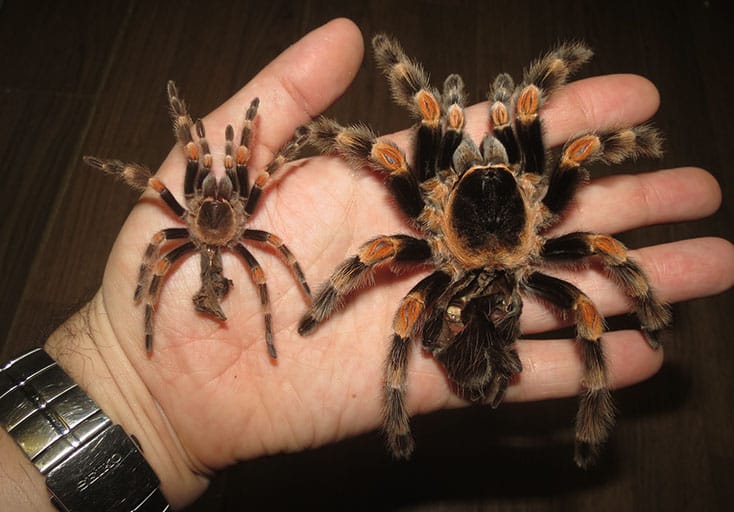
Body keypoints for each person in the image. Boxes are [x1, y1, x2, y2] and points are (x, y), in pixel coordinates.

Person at [1, 18, 732, 511]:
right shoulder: (540, 197)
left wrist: (321, 305)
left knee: (397, 232)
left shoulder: (424, 215)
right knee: (591, 290)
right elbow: (585, 174)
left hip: (450, 277)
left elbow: (376, 168)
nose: (483, 160)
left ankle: (412, 403)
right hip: (516, 267)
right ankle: (590, 414)